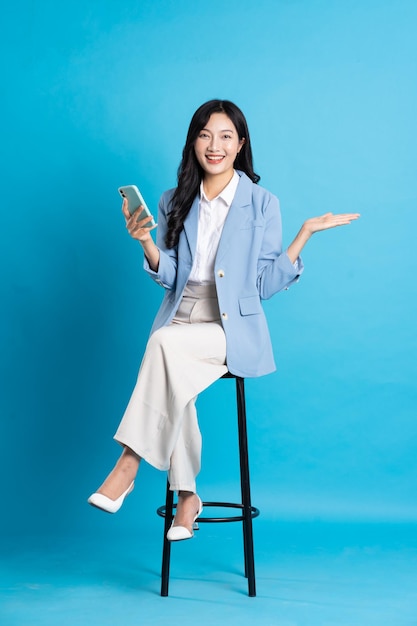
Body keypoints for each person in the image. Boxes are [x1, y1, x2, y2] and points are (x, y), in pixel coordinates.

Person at [88, 99, 359, 540]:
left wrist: (303, 235)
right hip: (183, 314)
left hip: (229, 326)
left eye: (225, 136)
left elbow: (266, 285)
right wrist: (145, 241)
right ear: (194, 142)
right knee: (172, 370)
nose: (214, 145)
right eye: (205, 134)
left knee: (161, 345)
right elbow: (171, 277)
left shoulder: (262, 203)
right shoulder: (173, 199)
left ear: (240, 145)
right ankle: (188, 498)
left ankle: (128, 463)